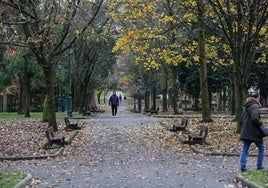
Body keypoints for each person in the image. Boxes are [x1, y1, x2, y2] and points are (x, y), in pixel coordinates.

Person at [240, 91, 265, 172]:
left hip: (245, 132)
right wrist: (261, 124)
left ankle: (243, 167)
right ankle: (259, 166)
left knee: (245, 149)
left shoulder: (245, 106)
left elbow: (240, 120)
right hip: (254, 132)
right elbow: (255, 118)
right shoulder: (255, 106)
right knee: (261, 148)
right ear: (257, 98)